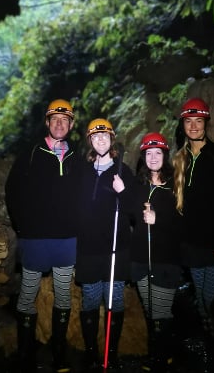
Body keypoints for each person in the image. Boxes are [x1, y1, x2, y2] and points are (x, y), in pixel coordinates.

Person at [4, 99, 82, 373]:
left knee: (63, 296)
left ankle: (58, 352)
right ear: (47, 123)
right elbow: (13, 191)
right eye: (55, 119)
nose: (60, 124)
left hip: (66, 242)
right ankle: (26, 354)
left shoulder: (77, 157)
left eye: (65, 120)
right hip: (35, 240)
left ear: (71, 125)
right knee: (27, 295)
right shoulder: (31, 153)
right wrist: (22, 227)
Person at [172, 97, 214, 333]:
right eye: (189, 121)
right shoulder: (180, 160)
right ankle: (211, 345)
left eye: (198, 120)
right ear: (182, 125)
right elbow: (179, 207)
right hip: (193, 245)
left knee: (212, 298)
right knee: (201, 300)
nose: (193, 126)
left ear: (206, 123)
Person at [75, 118, 135, 370]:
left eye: (105, 136)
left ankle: (112, 352)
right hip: (88, 249)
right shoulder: (82, 171)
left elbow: (134, 210)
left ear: (112, 140)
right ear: (90, 141)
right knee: (89, 300)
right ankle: (90, 351)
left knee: (115, 301)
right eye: (95, 137)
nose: (100, 140)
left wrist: (123, 191)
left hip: (115, 249)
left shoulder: (124, 171)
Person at [131, 132, 182, 372]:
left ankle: (162, 359)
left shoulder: (176, 186)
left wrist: (157, 219)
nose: (153, 158)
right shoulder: (139, 186)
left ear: (165, 156)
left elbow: (185, 223)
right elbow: (126, 211)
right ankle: (160, 354)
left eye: (157, 153)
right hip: (141, 260)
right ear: (143, 157)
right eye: (148, 153)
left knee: (161, 311)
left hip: (165, 261)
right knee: (151, 310)